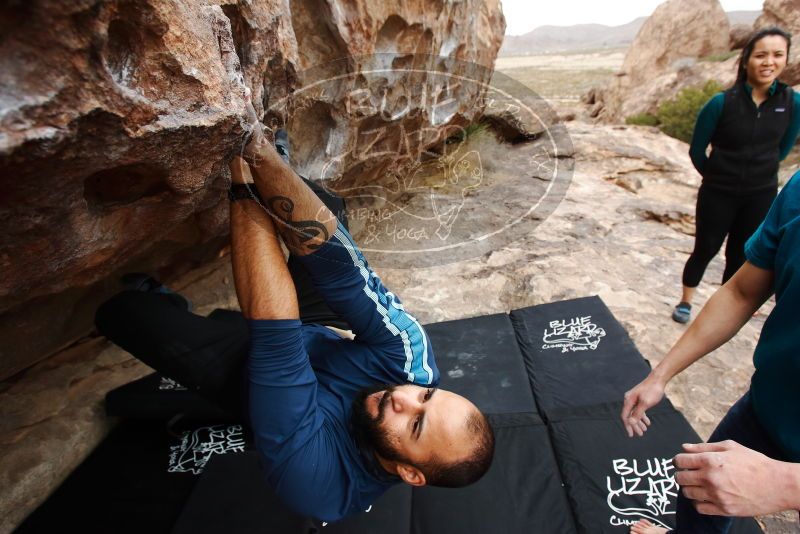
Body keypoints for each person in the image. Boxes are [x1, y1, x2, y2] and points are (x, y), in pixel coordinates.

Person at [95, 122, 495, 523]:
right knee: (325, 210)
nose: (405, 398)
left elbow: (276, 343)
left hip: (244, 373)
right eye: (426, 397)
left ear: (410, 472)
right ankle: (277, 159)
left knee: (121, 314)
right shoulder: (413, 366)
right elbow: (346, 274)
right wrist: (254, 149)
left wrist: (241, 180)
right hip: (314, 331)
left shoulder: (322, 487)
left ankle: (163, 300)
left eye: (415, 423)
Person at [623, 170, 800, 533]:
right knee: (697, 491)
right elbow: (742, 292)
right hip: (769, 405)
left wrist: (787, 484)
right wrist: (661, 375)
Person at [672, 26, 800, 324]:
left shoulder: (792, 104)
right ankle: (686, 301)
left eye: (777, 55)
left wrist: (757, 176)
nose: (769, 61)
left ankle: (726, 307)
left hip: (760, 194)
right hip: (718, 193)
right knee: (705, 247)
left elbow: (781, 151)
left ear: (785, 60)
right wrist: (718, 177)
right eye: (761, 55)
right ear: (746, 60)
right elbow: (696, 151)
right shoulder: (721, 103)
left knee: (742, 253)